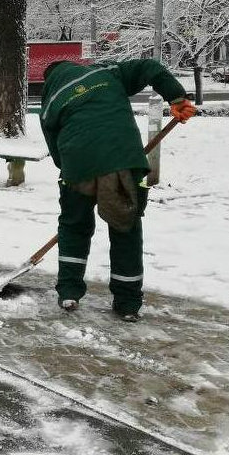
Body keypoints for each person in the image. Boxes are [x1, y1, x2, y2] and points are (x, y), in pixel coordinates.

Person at [39, 59, 196, 322]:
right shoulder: (106, 72)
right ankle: (128, 303)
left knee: (73, 225)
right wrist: (176, 98)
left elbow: (54, 148)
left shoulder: (50, 98)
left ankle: (69, 291)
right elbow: (150, 67)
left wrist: (69, 170)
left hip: (78, 164)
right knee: (126, 227)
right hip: (124, 159)